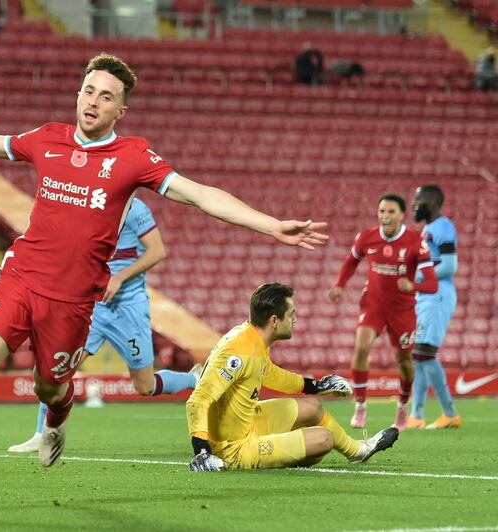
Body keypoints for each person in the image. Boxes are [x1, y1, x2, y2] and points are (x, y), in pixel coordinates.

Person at [0, 52, 328, 508]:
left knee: (50, 387)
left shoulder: (133, 156)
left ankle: (56, 420)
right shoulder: (48, 138)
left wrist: (269, 224)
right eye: (88, 90)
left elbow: (199, 194)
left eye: (106, 97)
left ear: (120, 110)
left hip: (73, 302)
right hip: (22, 278)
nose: (92, 101)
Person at [7, 197, 202, 453]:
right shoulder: (89, 202)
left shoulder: (134, 208)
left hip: (128, 307)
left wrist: (119, 277)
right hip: (93, 307)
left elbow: (157, 251)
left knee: (145, 386)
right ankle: (41, 434)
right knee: (59, 366)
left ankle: (194, 378)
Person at [186, 283, 399, 472]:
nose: (295, 319)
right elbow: (198, 400)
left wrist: (315, 386)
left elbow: (270, 373)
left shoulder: (250, 338)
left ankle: (359, 451)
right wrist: (202, 451)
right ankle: (268, 456)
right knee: (324, 439)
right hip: (232, 447)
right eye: (291, 314)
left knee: (313, 407)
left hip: (247, 423)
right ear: (274, 320)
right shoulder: (240, 352)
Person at [327, 193, 437, 431]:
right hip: (373, 303)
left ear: (401, 215)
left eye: (390, 212)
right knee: (361, 347)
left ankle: (402, 405)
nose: (385, 216)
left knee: (404, 360)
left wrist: (413, 285)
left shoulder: (416, 240)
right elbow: (351, 261)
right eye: (382, 211)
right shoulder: (366, 236)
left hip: (403, 308)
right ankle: (360, 405)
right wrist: (339, 285)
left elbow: (432, 284)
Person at [408, 185, 461, 430]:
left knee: (424, 354)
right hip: (427, 296)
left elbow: (450, 266)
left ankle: (450, 412)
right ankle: (416, 416)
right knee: (418, 356)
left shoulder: (443, 226)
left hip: (438, 295)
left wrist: (418, 278)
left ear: (431, 201)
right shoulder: (428, 229)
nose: (415, 204)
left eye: (418, 199)